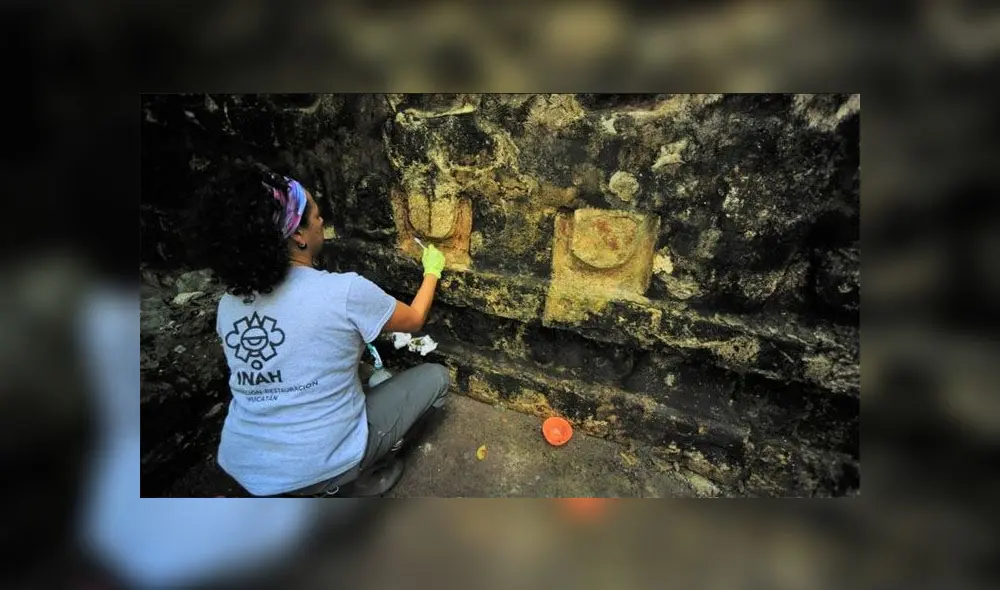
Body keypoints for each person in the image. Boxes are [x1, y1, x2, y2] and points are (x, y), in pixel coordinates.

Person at [197, 162, 449, 497]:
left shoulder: (229, 305)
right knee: (436, 377)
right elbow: (415, 318)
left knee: (362, 378)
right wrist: (432, 272)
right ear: (298, 235)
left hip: (247, 466)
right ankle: (360, 478)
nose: (321, 222)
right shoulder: (343, 292)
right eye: (316, 216)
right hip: (320, 463)